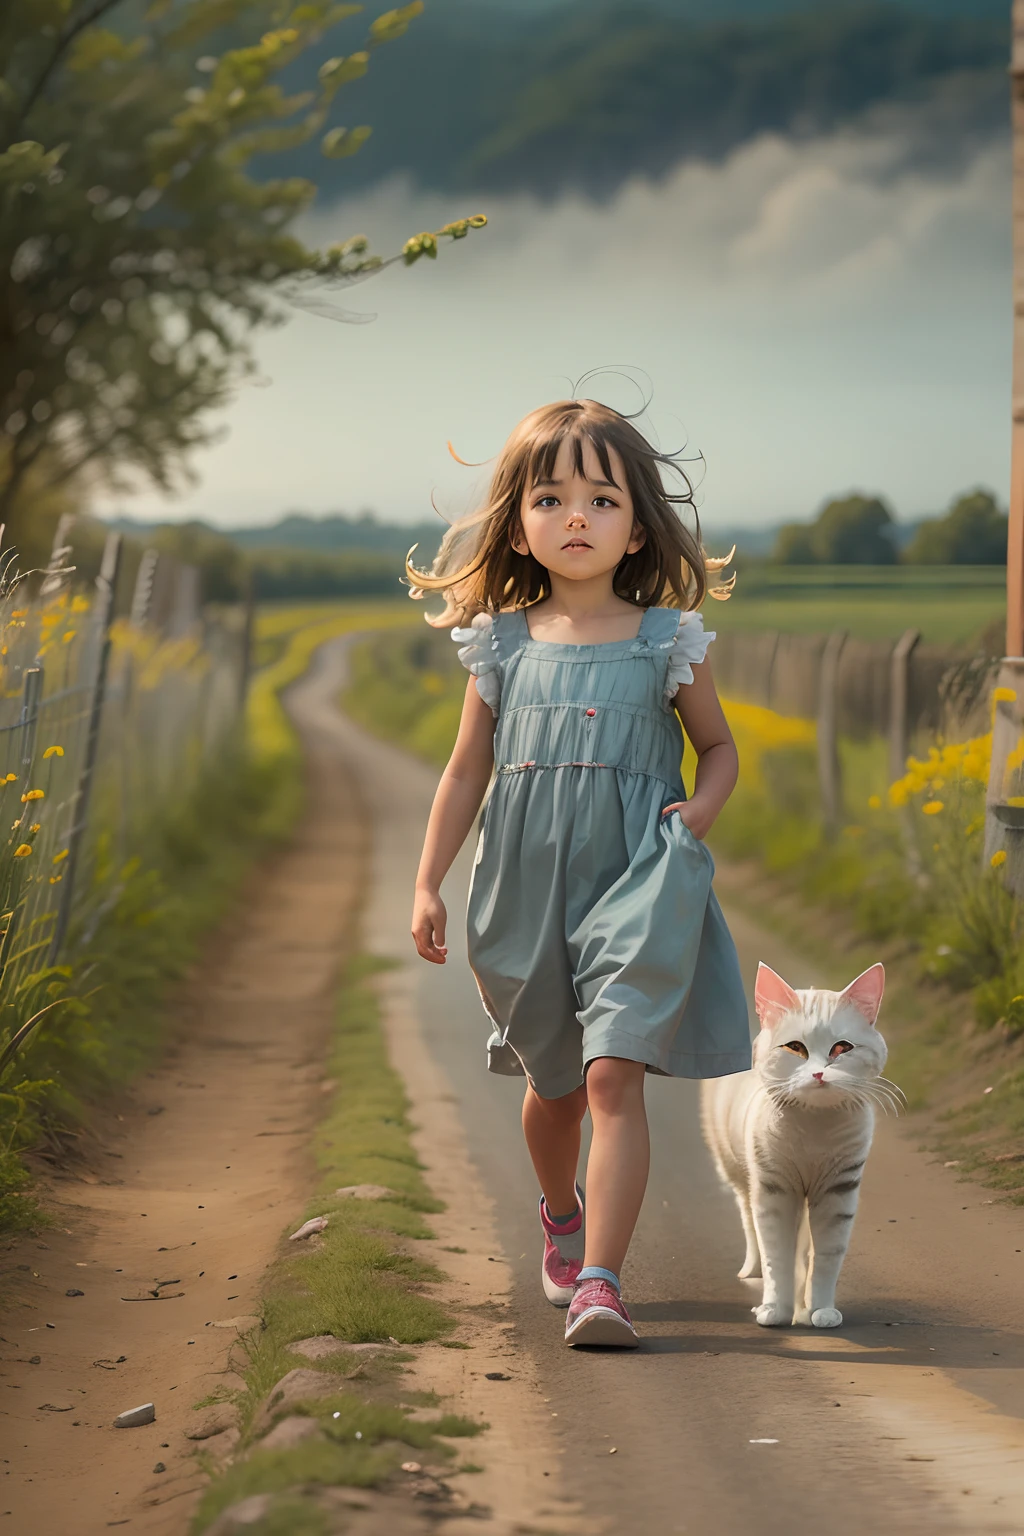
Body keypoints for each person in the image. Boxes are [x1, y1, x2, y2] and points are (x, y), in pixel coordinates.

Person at [409, 398, 751, 1348]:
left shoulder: (667, 640)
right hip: (526, 887)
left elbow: (718, 749)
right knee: (554, 1086)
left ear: (636, 524)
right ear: (517, 521)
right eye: (551, 497)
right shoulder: (501, 645)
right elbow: (465, 770)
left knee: (612, 1078)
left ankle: (601, 1279)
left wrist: (703, 809)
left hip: (641, 879)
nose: (575, 518)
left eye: (601, 500)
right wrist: (429, 879)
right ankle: (559, 1210)